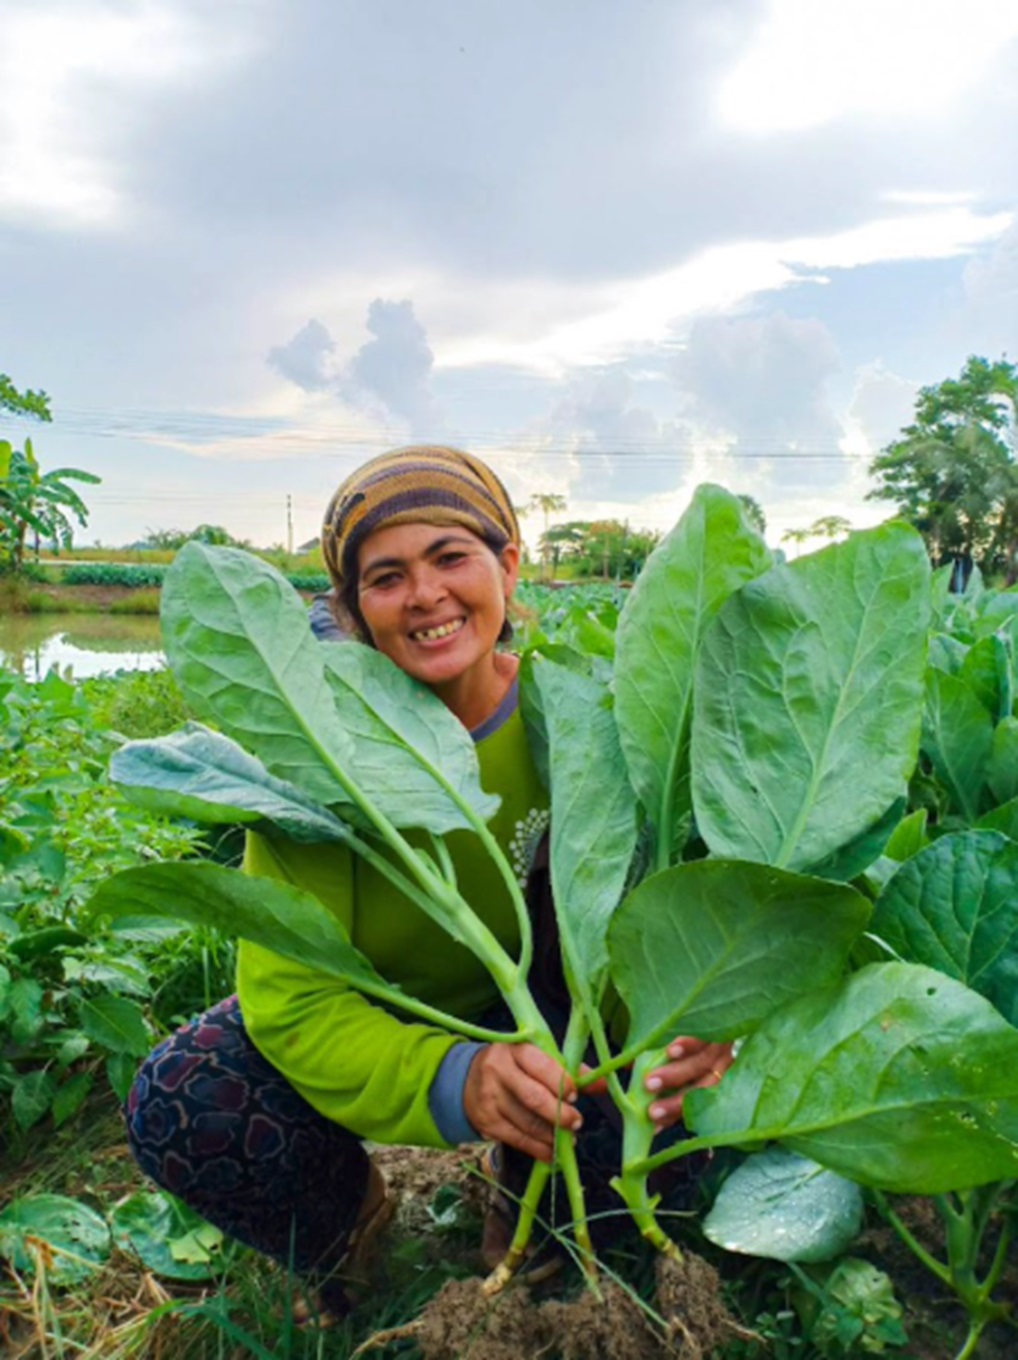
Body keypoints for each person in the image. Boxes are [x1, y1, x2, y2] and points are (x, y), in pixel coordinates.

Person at [124, 445, 731, 1313]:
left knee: (666, 1126)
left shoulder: (583, 719)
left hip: (558, 1007)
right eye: (386, 576)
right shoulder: (313, 766)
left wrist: (691, 1028)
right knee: (189, 1101)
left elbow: (647, 925)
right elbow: (292, 1002)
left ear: (508, 566)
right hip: (388, 1006)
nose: (426, 595)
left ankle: (530, 1205)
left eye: (452, 557)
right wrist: (460, 1077)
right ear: (356, 610)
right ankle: (348, 1226)